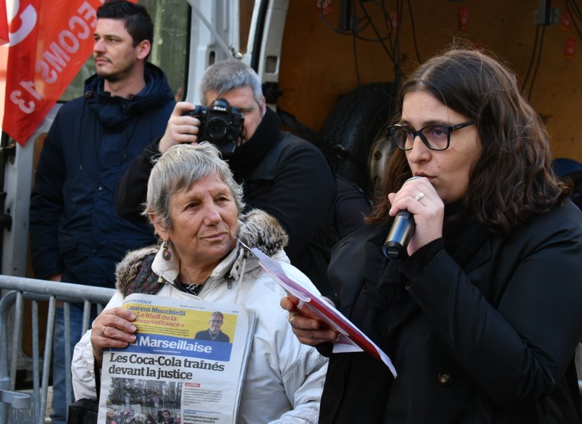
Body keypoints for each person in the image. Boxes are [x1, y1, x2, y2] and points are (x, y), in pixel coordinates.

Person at [281, 46, 582, 423]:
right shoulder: (401, 214)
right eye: (407, 132)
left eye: (438, 132)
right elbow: (398, 341)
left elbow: (524, 377)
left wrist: (430, 261)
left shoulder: (553, 228)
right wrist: (334, 328)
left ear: (493, 134)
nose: (416, 153)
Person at [72, 143, 328, 423]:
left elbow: (323, 399)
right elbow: (90, 393)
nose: (214, 217)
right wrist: (98, 353)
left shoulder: (283, 288)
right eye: (193, 205)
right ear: (160, 224)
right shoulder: (144, 282)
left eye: (221, 199)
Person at [29, 0, 176, 424]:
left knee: (135, 412)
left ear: (142, 48)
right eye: (96, 37)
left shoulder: (171, 120)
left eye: (112, 39)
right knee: (69, 410)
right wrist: (52, 274)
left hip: (144, 301)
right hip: (74, 294)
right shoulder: (72, 117)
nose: (98, 47)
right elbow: (46, 200)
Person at [115, 59, 338, 296]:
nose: (233, 124)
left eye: (242, 112)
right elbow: (128, 206)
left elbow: (275, 242)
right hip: (212, 301)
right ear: (204, 112)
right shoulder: (199, 160)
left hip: (285, 302)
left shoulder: (301, 159)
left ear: (263, 105)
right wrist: (164, 147)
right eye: (222, 113)